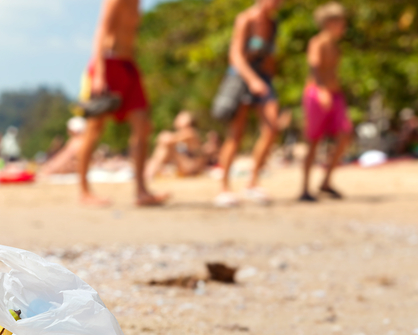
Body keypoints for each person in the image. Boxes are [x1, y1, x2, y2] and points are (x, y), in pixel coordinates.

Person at [77, 0, 168, 207]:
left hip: (129, 66)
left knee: (142, 127)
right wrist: (99, 74)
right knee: (94, 130)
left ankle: (141, 191)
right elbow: (101, 29)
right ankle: (83, 191)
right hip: (108, 65)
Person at [215, 0, 283, 207]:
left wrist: (268, 82)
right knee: (236, 134)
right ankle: (224, 188)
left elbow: (269, 55)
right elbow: (235, 55)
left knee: (272, 128)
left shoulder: (273, 24)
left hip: (264, 79)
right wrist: (252, 80)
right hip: (241, 78)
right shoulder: (245, 19)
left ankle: (252, 183)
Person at [299, 2, 352, 202]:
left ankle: (326, 181)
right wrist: (321, 90)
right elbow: (314, 67)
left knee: (345, 133)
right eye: (340, 22)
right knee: (314, 140)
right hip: (317, 94)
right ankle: (304, 188)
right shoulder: (317, 42)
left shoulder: (335, 45)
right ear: (330, 22)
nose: (343, 26)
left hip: (335, 94)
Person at [144, 111, 219, 180]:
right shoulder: (181, 135)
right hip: (185, 165)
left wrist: (163, 136)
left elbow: (166, 140)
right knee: (164, 148)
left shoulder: (191, 133)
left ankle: (149, 173)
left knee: (166, 147)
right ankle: (148, 173)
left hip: (192, 167)